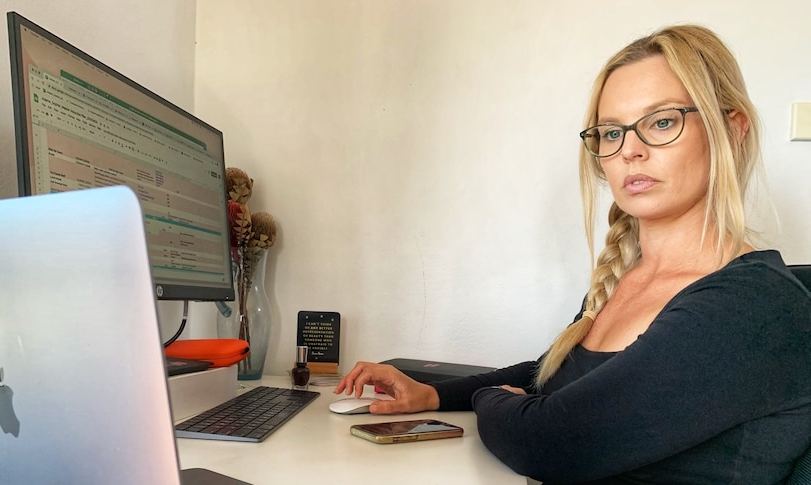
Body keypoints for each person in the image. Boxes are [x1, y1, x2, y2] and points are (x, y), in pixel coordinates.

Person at [334, 24, 811, 484]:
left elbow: (550, 441)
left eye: (662, 122)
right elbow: (551, 377)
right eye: (610, 132)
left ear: (732, 129)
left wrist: (489, 399)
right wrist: (433, 395)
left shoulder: (753, 305)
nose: (630, 151)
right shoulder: (630, 279)